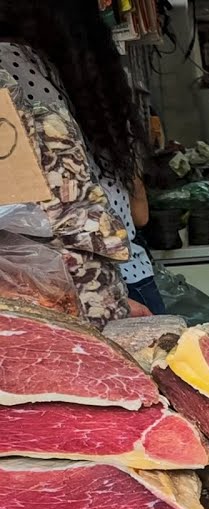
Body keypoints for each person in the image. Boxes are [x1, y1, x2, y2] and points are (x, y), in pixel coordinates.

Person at [0, 0, 163, 317]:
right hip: (123, 277)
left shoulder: (10, 67)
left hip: (69, 292)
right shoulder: (84, 81)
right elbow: (139, 213)